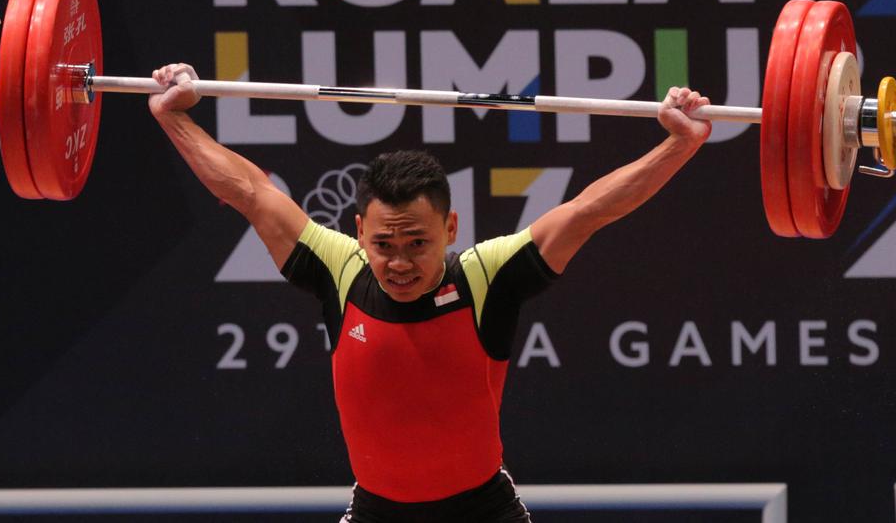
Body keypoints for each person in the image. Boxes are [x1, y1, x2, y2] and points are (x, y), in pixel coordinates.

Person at [149, 63, 712, 523]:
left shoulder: (486, 277)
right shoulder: (340, 269)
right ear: (358, 232)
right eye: (383, 244)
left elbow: (589, 210)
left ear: (450, 228)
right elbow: (250, 192)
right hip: (376, 513)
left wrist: (679, 145)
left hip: (483, 512)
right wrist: (174, 118)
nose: (399, 263)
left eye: (417, 243)